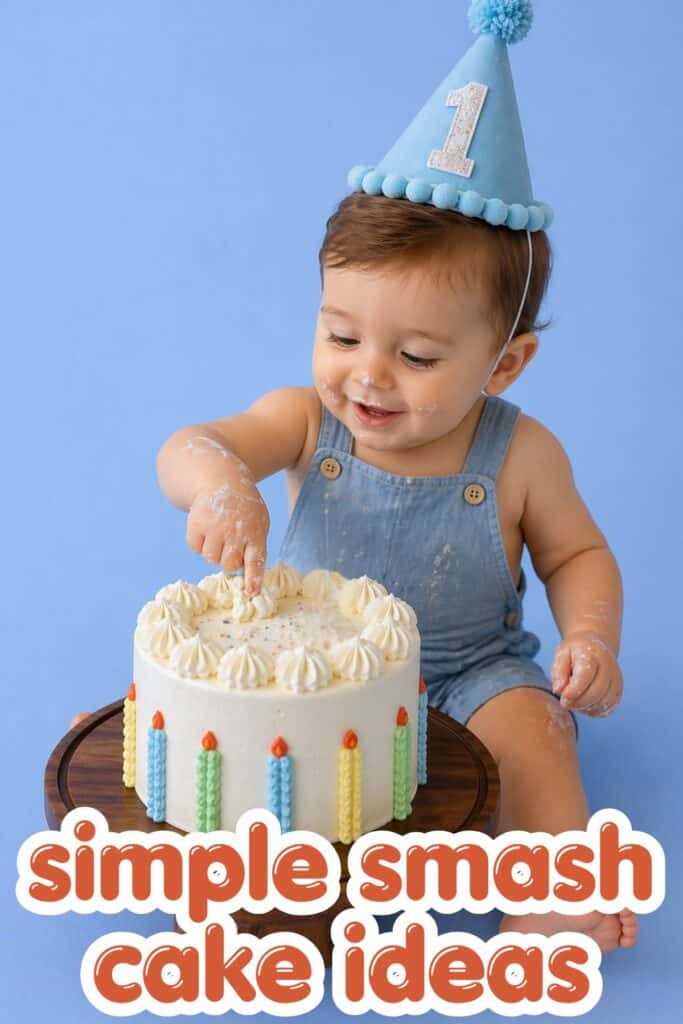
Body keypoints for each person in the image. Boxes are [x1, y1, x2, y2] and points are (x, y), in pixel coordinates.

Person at [76, 0, 638, 951]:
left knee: (534, 735)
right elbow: (190, 443)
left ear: (503, 366)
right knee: (216, 731)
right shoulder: (304, 420)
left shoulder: (520, 452)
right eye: (341, 335)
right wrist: (219, 485)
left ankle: (555, 885)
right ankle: (209, 855)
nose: (366, 375)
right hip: (307, 670)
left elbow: (579, 553)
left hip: (465, 676)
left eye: (417, 356)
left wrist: (589, 637)